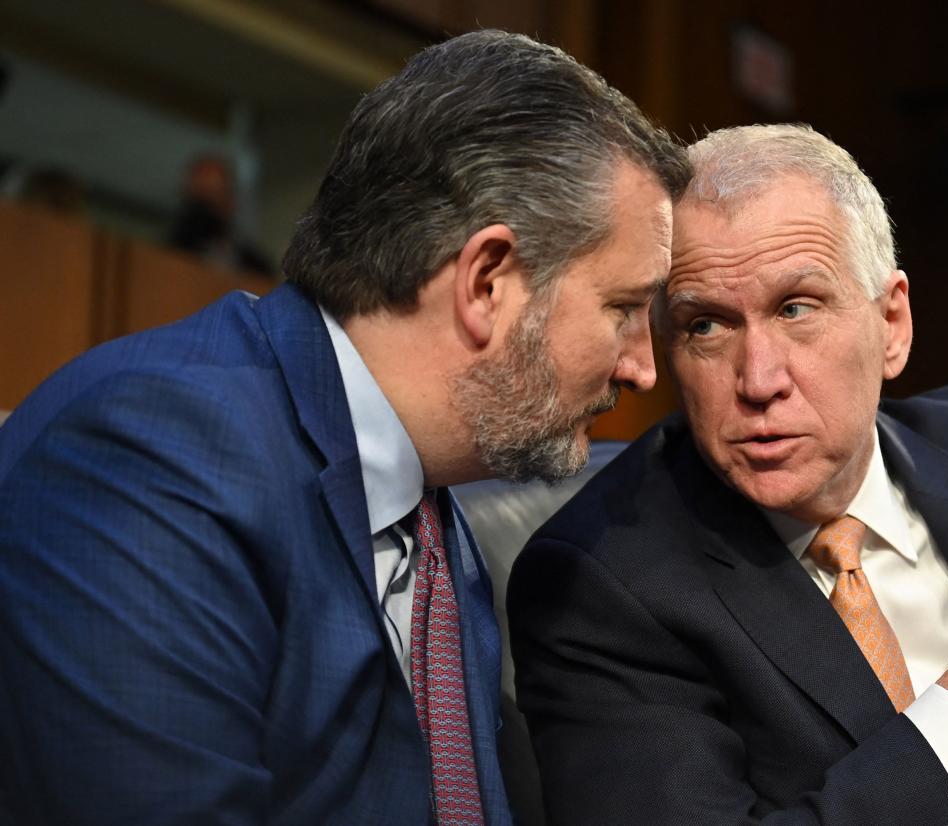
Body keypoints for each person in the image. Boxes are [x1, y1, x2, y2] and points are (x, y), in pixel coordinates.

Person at [0, 30, 689, 825]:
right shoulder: (150, 454)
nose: (643, 366)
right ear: (487, 281)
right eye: (624, 310)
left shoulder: (431, 510)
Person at [508, 124, 948, 825]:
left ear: (891, 324)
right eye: (705, 325)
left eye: (796, 308)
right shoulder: (603, 583)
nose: (758, 380)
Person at [167, 153, 274, 275]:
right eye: (199, 198)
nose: (202, 213)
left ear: (231, 202)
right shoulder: (169, 252)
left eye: (212, 197)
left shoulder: (254, 265)